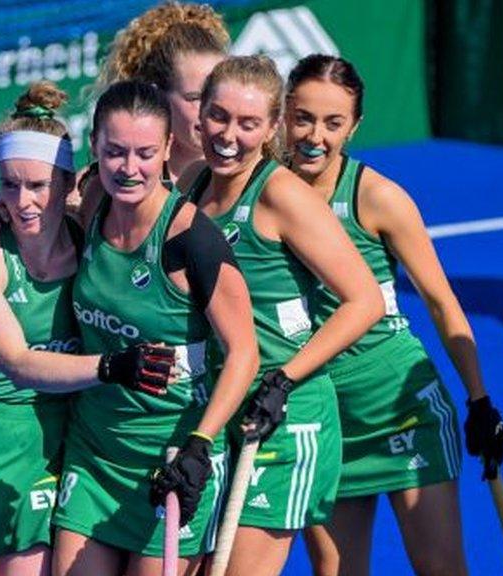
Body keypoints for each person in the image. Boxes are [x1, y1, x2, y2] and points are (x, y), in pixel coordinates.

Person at [0, 81, 175, 576]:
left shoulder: (87, 233)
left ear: (69, 184)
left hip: (39, 460)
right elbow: (19, 363)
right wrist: (112, 367)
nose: (22, 201)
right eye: (9, 184)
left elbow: (157, 189)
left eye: (38, 185)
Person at [281, 54, 503, 576]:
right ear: (282, 115)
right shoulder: (266, 192)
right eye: (303, 118)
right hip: (321, 416)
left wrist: (479, 400)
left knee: (441, 569)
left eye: (333, 123)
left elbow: (441, 301)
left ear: (354, 126)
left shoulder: (378, 197)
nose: (315, 135)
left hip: (401, 407)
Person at [177, 55, 385, 575]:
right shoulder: (193, 185)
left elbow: (365, 300)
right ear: (199, 116)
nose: (229, 135)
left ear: (272, 127)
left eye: (248, 124)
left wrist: (284, 380)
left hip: (282, 420)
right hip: (221, 412)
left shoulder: (282, 195)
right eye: (219, 117)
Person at [51, 79, 259, 576]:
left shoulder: (191, 240)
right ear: (95, 148)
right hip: (95, 454)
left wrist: (200, 446)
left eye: (145, 153)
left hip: (169, 457)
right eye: (115, 151)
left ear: (168, 149)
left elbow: (244, 352)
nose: (129, 168)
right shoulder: (91, 200)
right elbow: (26, 202)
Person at [97, 1, 230, 184]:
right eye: (195, 97)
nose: (213, 109)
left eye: (219, 95)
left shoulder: (252, 179)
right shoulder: (111, 184)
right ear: (158, 96)